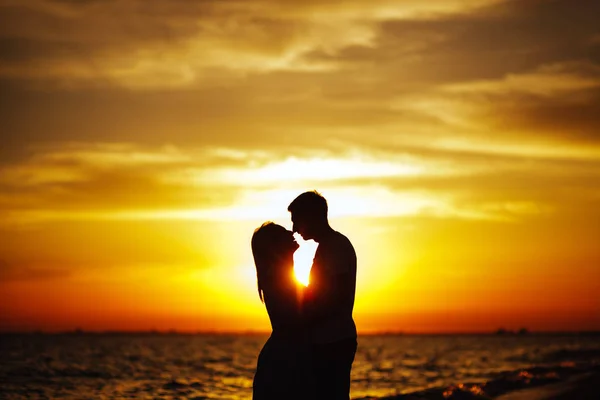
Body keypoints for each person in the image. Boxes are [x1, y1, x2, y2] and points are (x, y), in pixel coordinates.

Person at [288, 190, 358, 400]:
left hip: (333, 341)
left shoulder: (335, 247)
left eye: (296, 221)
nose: (294, 229)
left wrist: (302, 319)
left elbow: (336, 296)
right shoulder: (328, 247)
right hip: (329, 340)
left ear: (310, 217)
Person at [251, 222, 314, 400]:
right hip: (284, 360)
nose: (290, 232)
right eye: (282, 232)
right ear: (274, 246)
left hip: (286, 355)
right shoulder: (277, 276)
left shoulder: (284, 274)